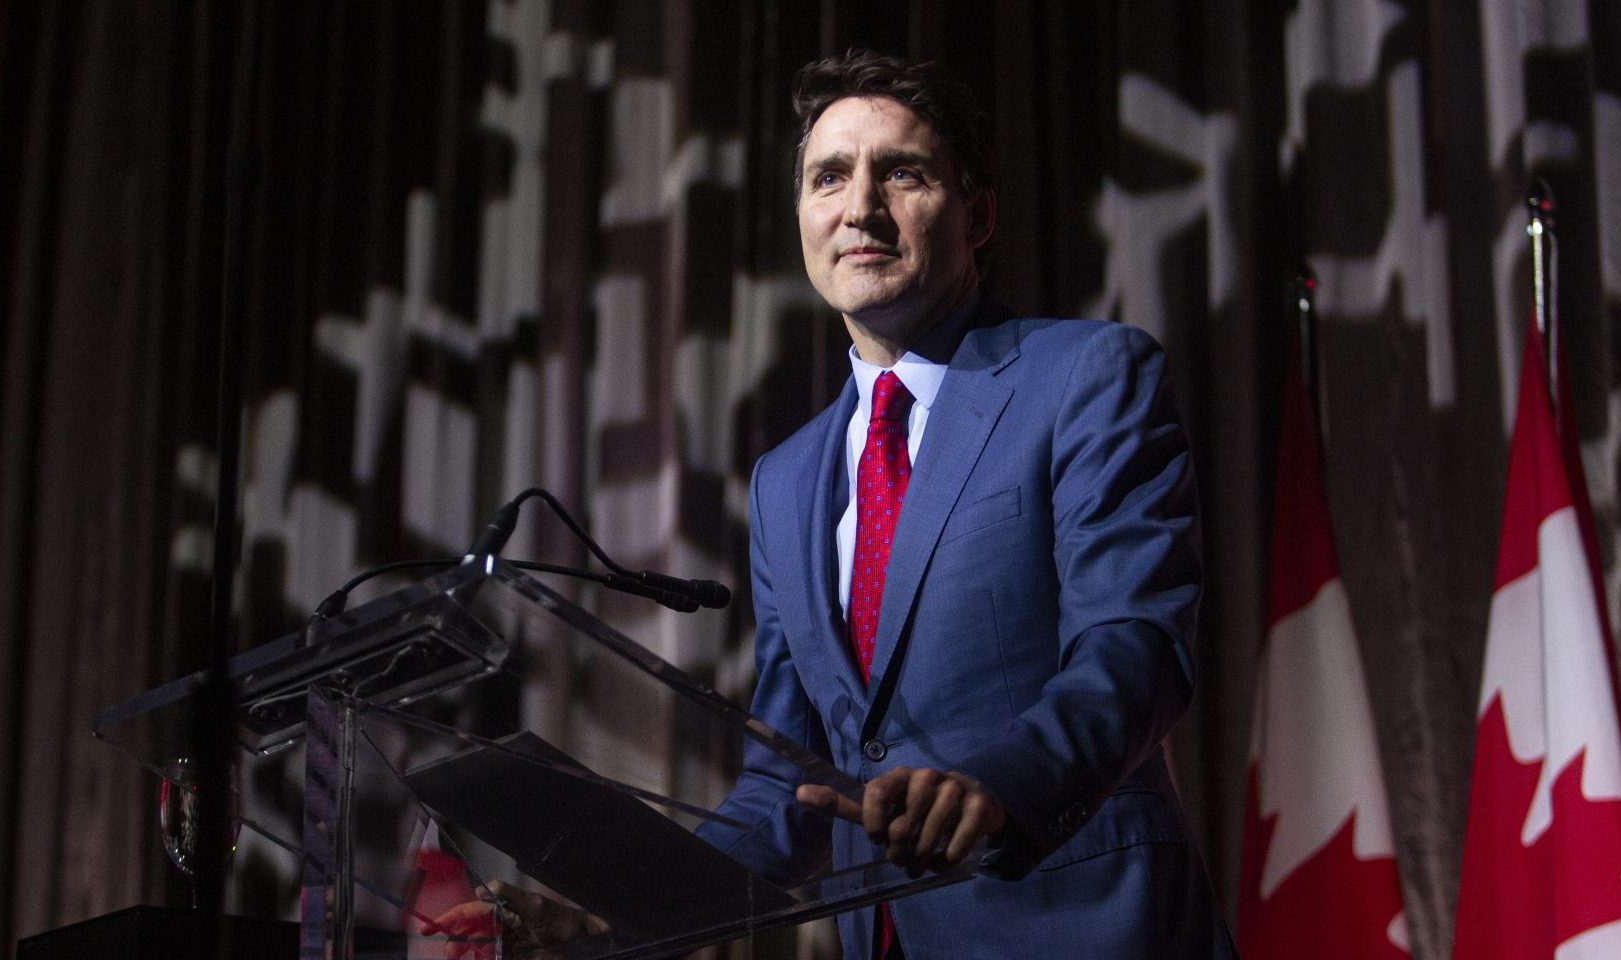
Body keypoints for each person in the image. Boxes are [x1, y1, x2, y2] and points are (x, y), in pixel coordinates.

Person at [436, 49, 1233, 959]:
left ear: (979, 215)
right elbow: (783, 794)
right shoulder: (786, 480)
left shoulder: (1088, 376)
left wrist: (998, 786)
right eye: (829, 178)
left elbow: (1134, 646)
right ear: (804, 218)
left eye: (902, 172)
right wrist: (617, 928)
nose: (861, 208)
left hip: (1084, 923)